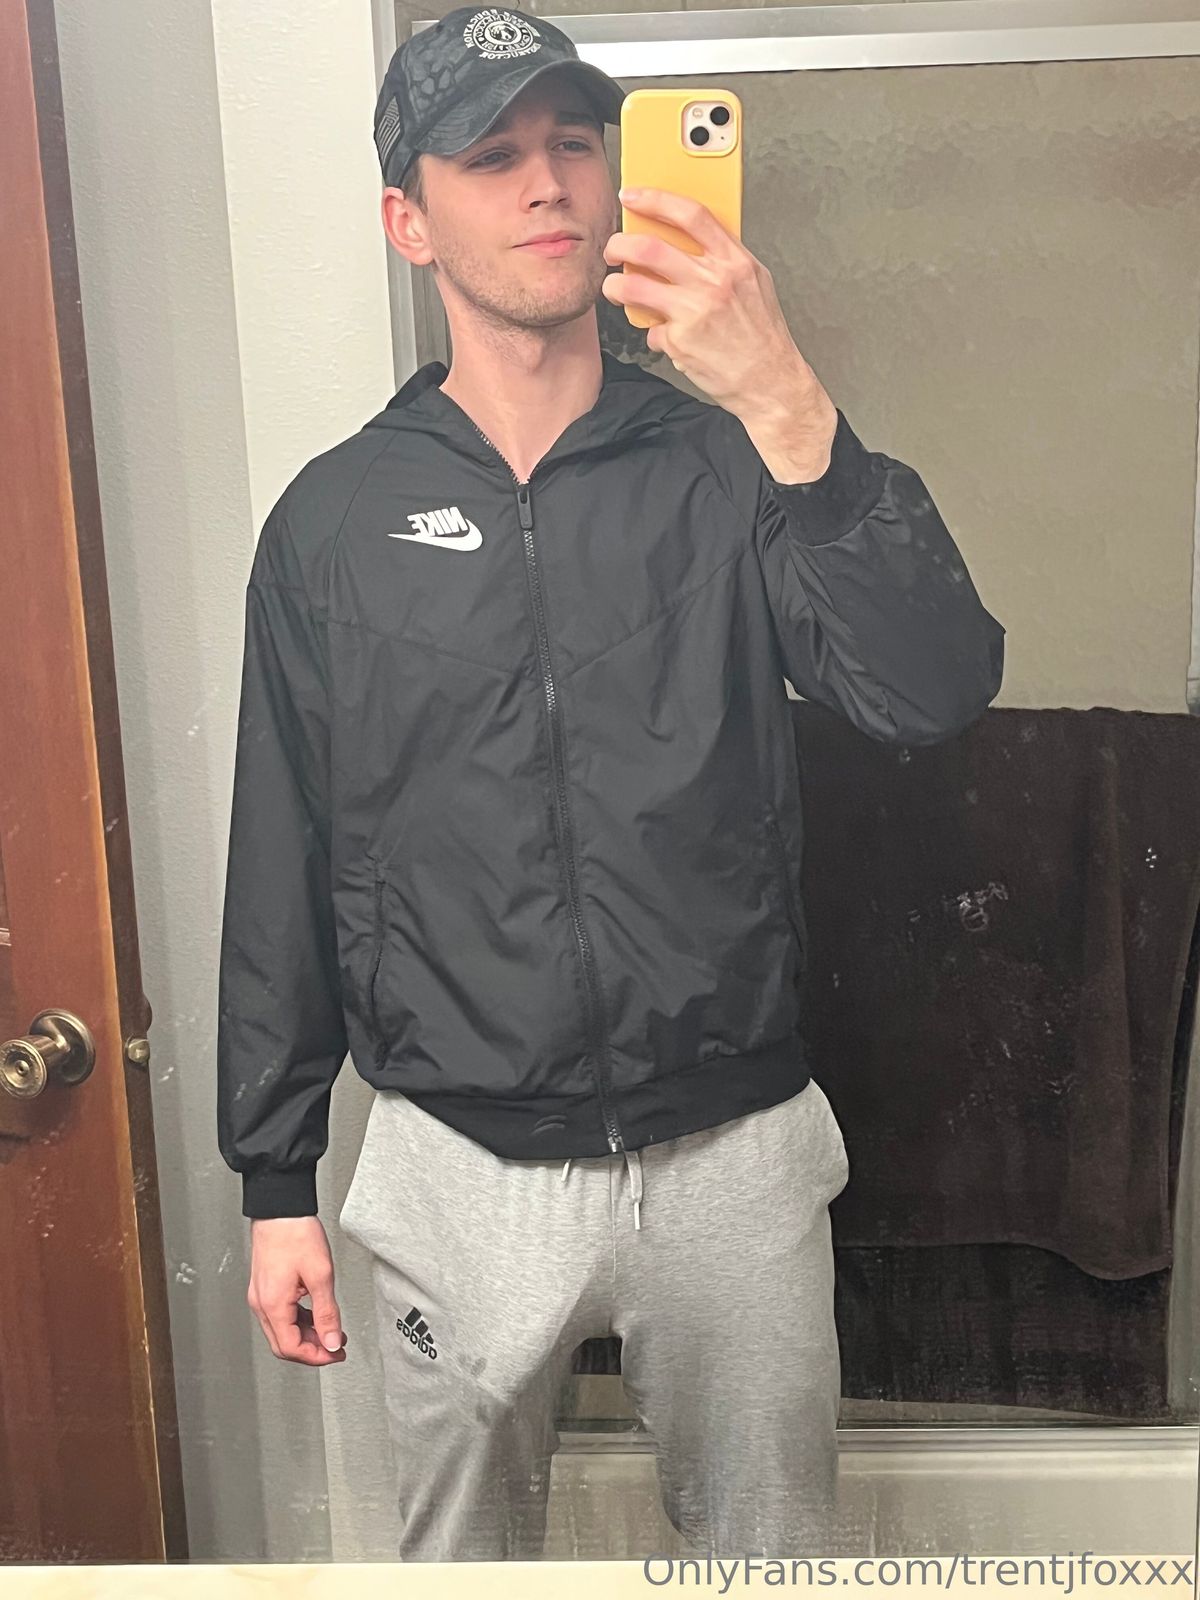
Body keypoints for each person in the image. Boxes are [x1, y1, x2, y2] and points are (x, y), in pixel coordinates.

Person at [217, 4, 1005, 1561]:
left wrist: (789, 401)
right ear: (408, 220)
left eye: (573, 142)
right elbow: (284, 851)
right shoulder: (333, 525)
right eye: (491, 154)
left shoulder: (733, 464)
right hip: (457, 1157)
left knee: (773, 1570)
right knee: (459, 1574)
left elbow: (932, 691)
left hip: (732, 1147)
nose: (547, 183)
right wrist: (273, 1177)